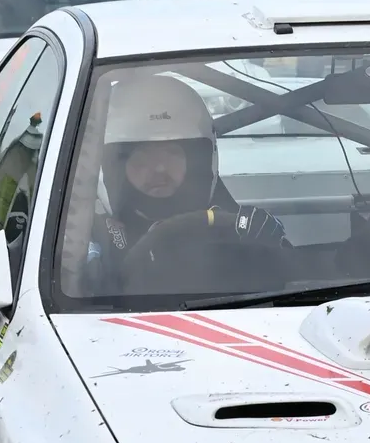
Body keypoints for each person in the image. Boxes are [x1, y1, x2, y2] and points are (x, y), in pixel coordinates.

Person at [91, 73, 286, 292]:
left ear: (199, 161)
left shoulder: (235, 229)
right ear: (112, 167)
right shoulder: (85, 240)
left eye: (171, 153)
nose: (159, 168)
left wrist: (268, 248)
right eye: (143, 156)